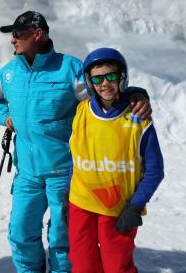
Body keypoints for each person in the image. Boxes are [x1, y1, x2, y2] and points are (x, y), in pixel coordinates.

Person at [0, 11, 151, 273]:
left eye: (17, 34)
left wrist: (135, 93)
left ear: (37, 34)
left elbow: (104, 93)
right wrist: (5, 116)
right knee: (20, 231)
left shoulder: (69, 69)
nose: (12, 40)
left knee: (62, 237)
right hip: (27, 172)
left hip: (66, 172)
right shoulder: (8, 74)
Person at [66, 48, 164, 273]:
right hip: (81, 204)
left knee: (116, 267)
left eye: (111, 76)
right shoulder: (81, 111)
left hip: (118, 208)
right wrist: (66, 194)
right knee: (82, 266)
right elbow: (77, 157)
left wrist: (135, 206)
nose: (105, 84)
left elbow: (155, 170)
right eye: (98, 78)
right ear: (90, 82)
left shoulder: (138, 118)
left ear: (122, 77)